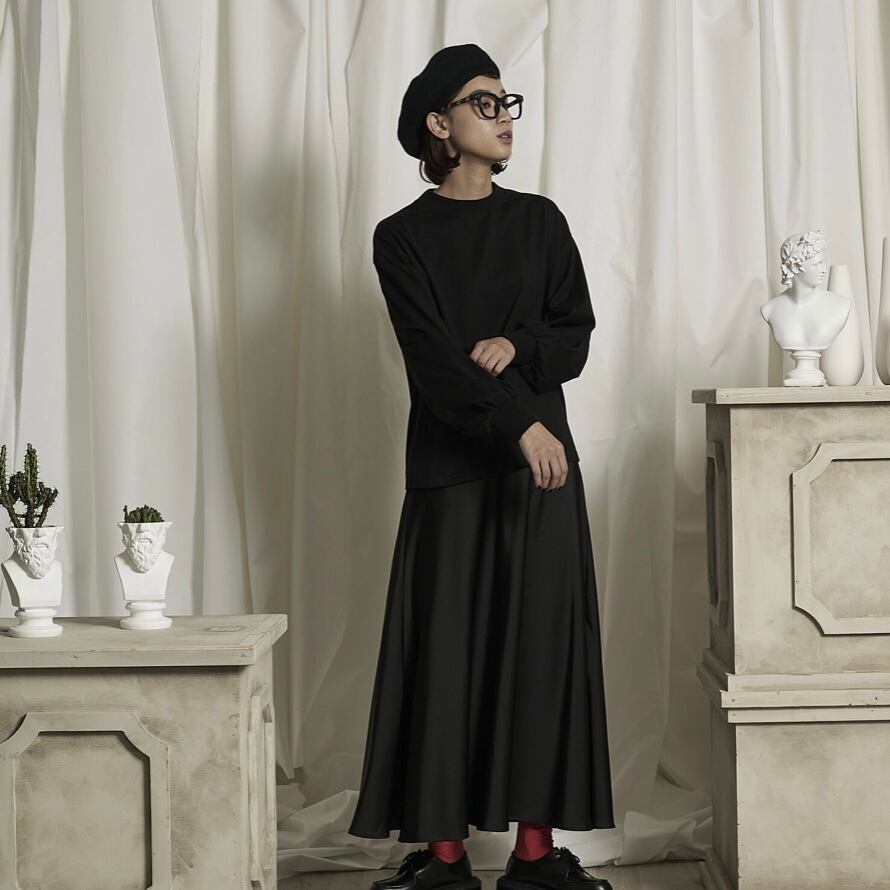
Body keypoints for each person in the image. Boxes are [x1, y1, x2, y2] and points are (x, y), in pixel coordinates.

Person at [348, 43, 615, 890]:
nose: (504, 118)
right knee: (445, 656)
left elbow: (573, 336)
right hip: (453, 473)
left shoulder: (540, 221)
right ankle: (445, 860)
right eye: (484, 103)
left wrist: (520, 343)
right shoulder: (402, 238)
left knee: (539, 653)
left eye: (507, 103)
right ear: (440, 123)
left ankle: (534, 860)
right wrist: (521, 424)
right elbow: (433, 364)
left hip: (541, 478)